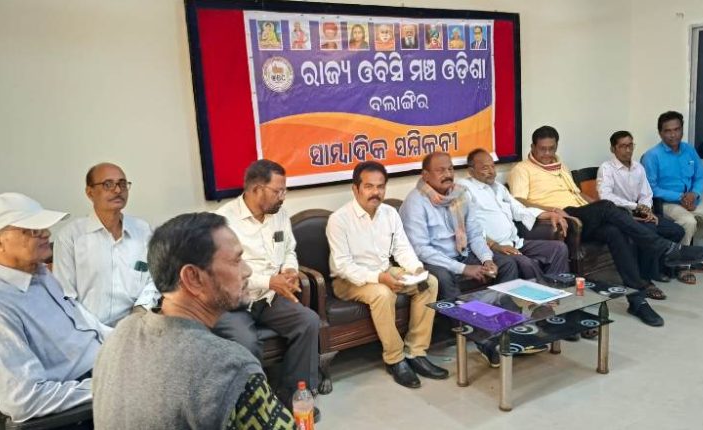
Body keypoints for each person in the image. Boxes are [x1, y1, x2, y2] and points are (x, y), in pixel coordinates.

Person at [93, 212, 295, 429]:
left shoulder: (120, 334)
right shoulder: (231, 368)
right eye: (236, 260)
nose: (247, 271)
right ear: (193, 278)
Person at [508, 126, 703, 327]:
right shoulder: (522, 169)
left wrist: (596, 206)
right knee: (607, 206)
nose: (547, 154)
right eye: (542, 149)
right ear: (532, 147)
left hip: (581, 214)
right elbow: (519, 201)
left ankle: (637, 301)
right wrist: (552, 210)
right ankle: (665, 249)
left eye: (551, 148)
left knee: (615, 230)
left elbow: (577, 193)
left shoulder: (560, 165)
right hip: (563, 220)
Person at [0, 193, 109, 423]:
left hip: (107, 363)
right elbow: (24, 400)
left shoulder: (39, 272)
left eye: (44, 227)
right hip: (84, 399)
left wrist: (130, 340)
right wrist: (106, 386)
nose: (47, 234)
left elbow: (84, 324)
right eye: (32, 230)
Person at [326, 161, 448, 389]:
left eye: (380, 186)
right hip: (349, 280)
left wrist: (416, 269)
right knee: (383, 293)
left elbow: (402, 249)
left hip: (384, 270)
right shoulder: (339, 220)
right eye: (369, 186)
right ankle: (395, 358)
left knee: (429, 282)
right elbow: (344, 266)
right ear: (355, 189)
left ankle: (416, 352)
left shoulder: (390, 213)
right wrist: (380, 278)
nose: (376, 192)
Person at [215, 160, 320, 417]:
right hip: (234, 303)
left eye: (284, 190)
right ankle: (254, 406)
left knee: (308, 321)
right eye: (278, 191)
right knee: (245, 341)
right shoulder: (223, 220)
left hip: (270, 299)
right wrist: (269, 281)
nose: (283, 197)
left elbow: (289, 249)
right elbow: (226, 272)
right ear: (256, 189)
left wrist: (290, 270)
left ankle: (293, 394)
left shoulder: (279, 215)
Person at [400, 152, 518, 300]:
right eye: (440, 170)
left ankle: (501, 310)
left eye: (450, 169)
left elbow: (474, 234)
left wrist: (486, 259)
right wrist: (463, 269)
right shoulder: (415, 202)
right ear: (425, 175)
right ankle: (461, 315)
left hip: (463, 254)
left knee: (507, 264)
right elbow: (421, 250)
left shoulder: (459, 194)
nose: (447, 174)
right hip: (435, 261)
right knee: (443, 278)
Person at [54, 162, 160, 327]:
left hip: (137, 325)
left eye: (122, 184)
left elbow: (155, 279)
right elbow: (66, 296)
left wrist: (139, 312)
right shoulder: (71, 236)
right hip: (87, 331)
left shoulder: (143, 230)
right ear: (90, 192)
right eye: (108, 184)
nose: (117, 190)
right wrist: (100, 332)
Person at [597, 131, 692, 289]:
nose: (628, 150)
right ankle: (645, 276)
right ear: (613, 149)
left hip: (640, 212)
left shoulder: (638, 167)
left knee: (677, 231)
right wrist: (635, 207)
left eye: (630, 145)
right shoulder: (607, 168)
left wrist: (646, 210)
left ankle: (662, 268)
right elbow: (605, 197)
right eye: (623, 146)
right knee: (650, 230)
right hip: (621, 215)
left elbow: (646, 194)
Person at [457, 148, 570, 280]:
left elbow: (518, 209)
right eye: (485, 168)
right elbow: (467, 226)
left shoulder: (499, 187)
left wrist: (549, 214)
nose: (492, 172)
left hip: (515, 242)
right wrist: (495, 246)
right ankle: (544, 291)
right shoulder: (464, 188)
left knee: (559, 248)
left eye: (493, 166)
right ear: (471, 171)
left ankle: (559, 285)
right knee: (526, 263)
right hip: (494, 248)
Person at [642, 110, 703, 276]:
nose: (673, 135)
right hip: (666, 203)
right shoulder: (652, 156)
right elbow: (651, 188)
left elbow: (700, 176)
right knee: (688, 222)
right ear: (660, 133)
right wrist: (680, 197)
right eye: (668, 131)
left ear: (682, 130)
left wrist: (695, 193)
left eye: (676, 129)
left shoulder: (689, 150)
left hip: (692, 200)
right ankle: (681, 266)